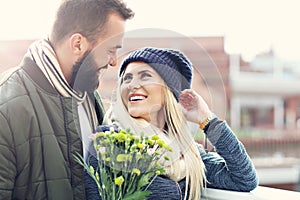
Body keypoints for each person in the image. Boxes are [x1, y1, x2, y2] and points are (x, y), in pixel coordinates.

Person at [0, 0, 134, 199]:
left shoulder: (90, 97)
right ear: (78, 44)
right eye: (109, 50)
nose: (114, 62)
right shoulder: (7, 106)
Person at [86, 47, 259, 199]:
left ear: (168, 89)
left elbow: (244, 179)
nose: (132, 85)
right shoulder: (109, 142)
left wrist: (207, 120)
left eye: (145, 76)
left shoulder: (189, 155)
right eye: (127, 78)